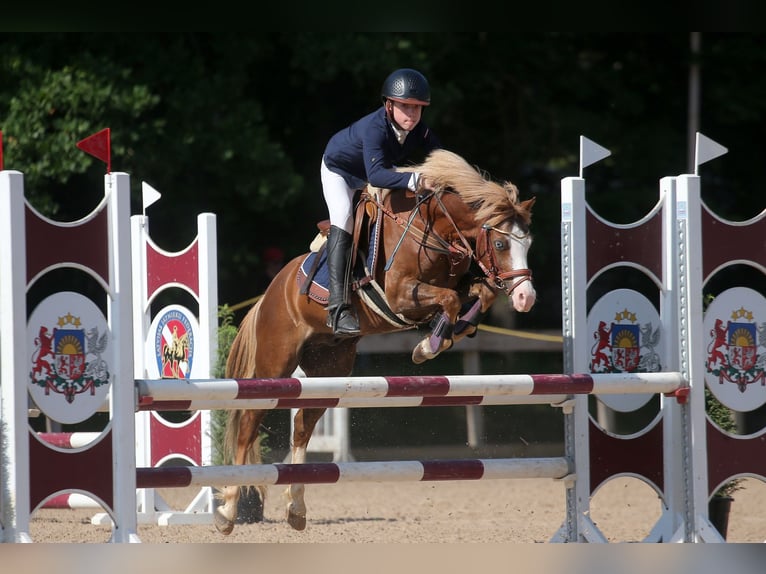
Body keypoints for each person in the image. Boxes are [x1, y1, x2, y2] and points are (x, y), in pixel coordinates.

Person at [320, 68, 441, 337]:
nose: (412, 114)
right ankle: (338, 310)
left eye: (418, 108)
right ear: (389, 105)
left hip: (372, 173)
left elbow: (440, 155)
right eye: (405, 107)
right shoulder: (375, 128)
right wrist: (417, 178)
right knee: (344, 217)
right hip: (340, 171)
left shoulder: (418, 130)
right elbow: (376, 175)